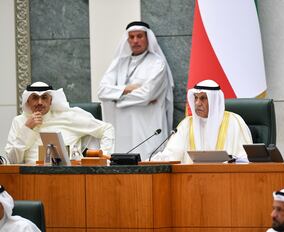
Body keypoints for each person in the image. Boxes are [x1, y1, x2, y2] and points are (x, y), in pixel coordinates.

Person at [97, 21, 174, 161]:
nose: (135, 41)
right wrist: (126, 89)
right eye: (131, 37)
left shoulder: (157, 63)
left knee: (147, 164)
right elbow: (102, 91)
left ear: (148, 38)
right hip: (121, 129)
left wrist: (116, 98)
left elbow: (147, 94)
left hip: (147, 128)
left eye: (139, 36)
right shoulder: (118, 63)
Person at [3, 82, 114, 164]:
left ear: (51, 101)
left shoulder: (69, 116)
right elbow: (13, 161)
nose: (40, 102)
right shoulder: (19, 121)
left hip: (70, 177)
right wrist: (27, 129)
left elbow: (107, 129)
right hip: (30, 180)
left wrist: (103, 159)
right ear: (28, 101)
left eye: (44, 98)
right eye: (35, 98)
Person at [151, 79, 252, 163]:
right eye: (196, 98)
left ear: (214, 101)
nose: (197, 103)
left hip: (228, 181)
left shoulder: (234, 122)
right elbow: (171, 155)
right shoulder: (186, 124)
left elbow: (246, 158)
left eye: (203, 98)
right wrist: (149, 162)